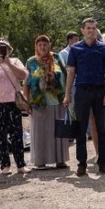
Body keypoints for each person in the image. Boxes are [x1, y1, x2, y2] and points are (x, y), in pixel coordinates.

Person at [63, 17, 105, 176]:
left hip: (99, 91)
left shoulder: (103, 48)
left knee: (101, 129)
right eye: (88, 28)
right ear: (82, 30)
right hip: (82, 91)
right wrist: (67, 95)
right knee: (80, 128)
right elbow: (71, 72)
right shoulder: (75, 49)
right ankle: (82, 164)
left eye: (93, 28)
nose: (91, 31)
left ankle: (103, 162)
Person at [0, 38, 30, 176]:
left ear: (9, 50)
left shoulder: (15, 61)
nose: (2, 50)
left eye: (5, 48)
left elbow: (24, 75)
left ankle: (21, 164)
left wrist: (8, 63)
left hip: (12, 102)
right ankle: (5, 165)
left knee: (16, 133)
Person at [23, 34, 69, 168]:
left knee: (58, 132)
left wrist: (67, 95)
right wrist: (26, 100)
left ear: (49, 46)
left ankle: (60, 160)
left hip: (57, 101)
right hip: (39, 102)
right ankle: (40, 161)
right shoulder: (31, 62)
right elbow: (26, 83)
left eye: (45, 44)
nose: (43, 47)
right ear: (36, 46)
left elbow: (66, 77)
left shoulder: (57, 58)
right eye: (40, 45)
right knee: (40, 132)